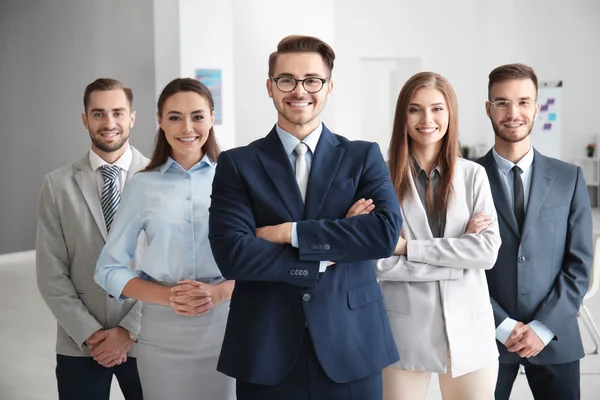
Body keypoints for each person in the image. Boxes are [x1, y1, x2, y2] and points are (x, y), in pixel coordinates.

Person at [208, 35, 403, 400]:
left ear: (329, 86)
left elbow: (384, 235)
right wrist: (340, 238)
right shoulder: (237, 164)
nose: (299, 91)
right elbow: (232, 254)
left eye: (312, 80)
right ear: (270, 87)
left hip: (352, 344)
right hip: (265, 348)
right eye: (287, 80)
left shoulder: (363, 156)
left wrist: (289, 233)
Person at [94, 77, 235, 400]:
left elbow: (262, 258)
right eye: (175, 117)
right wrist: (168, 297)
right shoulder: (142, 185)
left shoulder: (237, 179)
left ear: (212, 118)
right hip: (162, 335)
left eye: (198, 116)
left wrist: (219, 292)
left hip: (227, 329)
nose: (187, 127)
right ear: (160, 121)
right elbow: (108, 269)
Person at [375, 72, 501, 400]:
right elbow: (377, 262)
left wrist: (407, 248)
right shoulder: (380, 177)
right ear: (402, 114)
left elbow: (486, 254)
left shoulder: (474, 175)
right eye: (415, 109)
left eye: (437, 109)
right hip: (404, 332)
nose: (427, 119)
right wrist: (460, 257)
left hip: (470, 332)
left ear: (450, 114)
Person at [476, 63, 593, 400]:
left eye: (524, 102)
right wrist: (502, 324)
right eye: (502, 102)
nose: (514, 113)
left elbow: (579, 264)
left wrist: (542, 328)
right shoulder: (466, 178)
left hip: (556, 336)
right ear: (489, 109)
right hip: (487, 336)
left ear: (536, 107)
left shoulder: (569, 178)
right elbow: (461, 268)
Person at [36, 78, 146, 400]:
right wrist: (92, 334)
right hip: (80, 342)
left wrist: (129, 331)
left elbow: (172, 267)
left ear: (132, 117)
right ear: (85, 119)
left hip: (147, 339)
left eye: (118, 113)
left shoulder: (160, 178)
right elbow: (50, 273)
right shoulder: (57, 186)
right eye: (98, 114)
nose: (109, 123)